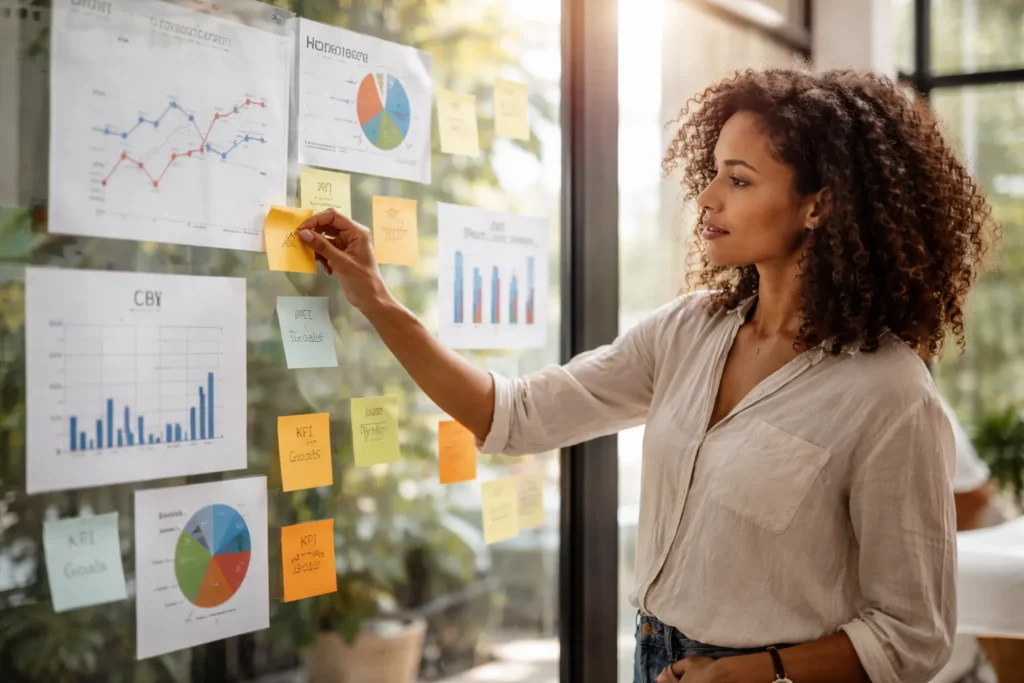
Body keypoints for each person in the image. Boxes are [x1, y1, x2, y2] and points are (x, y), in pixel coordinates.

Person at [296, 68, 996, 683]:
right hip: (654, 660)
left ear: (821, 203)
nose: (708, 198)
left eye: (740, 179)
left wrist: (760, 671)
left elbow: (914, 633)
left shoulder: (888, 390)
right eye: (715, 170)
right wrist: (376, 300)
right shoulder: (687, 330)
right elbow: (512, 415)